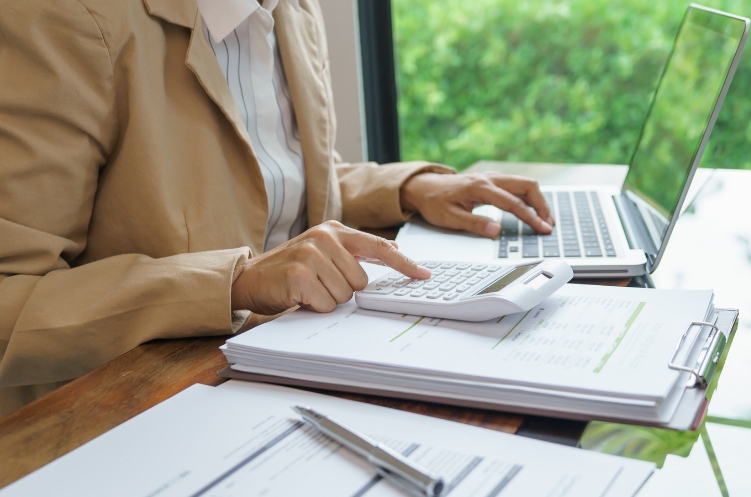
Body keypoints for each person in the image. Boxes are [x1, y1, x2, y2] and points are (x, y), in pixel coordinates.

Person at [0, 0, 554, 416]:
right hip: (135, 412)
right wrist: (233, 282)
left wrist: (408, 188)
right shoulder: (59, 18)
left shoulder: (292, 8)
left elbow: (273, 176)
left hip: (297, 364)